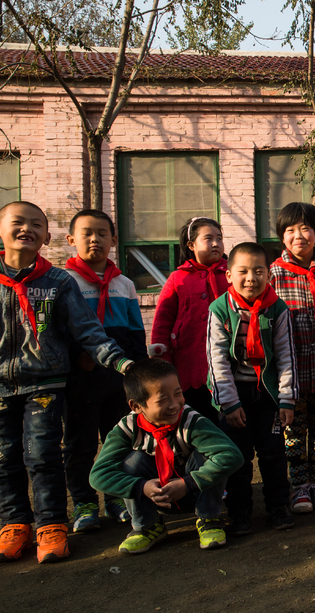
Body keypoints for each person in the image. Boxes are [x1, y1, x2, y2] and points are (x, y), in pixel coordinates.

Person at [0, 201, 135, 563]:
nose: (26, 229)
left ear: (46, 237)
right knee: (5, 457)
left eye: (35, 224)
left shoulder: (57, 282)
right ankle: (14, 523)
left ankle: (51, 524)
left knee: (43, 455)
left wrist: (124, 362)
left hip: (45, 383)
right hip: (4, 385)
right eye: (17, 222)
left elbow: (88, 331)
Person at [88, 359, 243, 554]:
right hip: (155, 497)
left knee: (209, 454)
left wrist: (188, 483)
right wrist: (142, 487)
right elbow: (98, 475)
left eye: (178, 393)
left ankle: (209, 518)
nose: (174, 404)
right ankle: (147, 525)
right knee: (131, 461)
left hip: (193, 493)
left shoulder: (191, 421)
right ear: (136, 406)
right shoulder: (127, 429)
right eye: (162, 400)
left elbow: (231, 455)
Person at [63, 210, 147, 533]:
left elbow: (135, 332)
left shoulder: (124, 284)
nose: (95, 239)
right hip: (81, 379)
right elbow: (58, 332)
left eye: (102, 233)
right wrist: (77, 357)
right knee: (79, 443)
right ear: (71, 240)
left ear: (114, 239)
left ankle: (115, 497)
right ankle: (84, 503)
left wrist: (140, 373)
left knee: (119, 440)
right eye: (86, 233)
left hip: (120, 379)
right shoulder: (64, 281)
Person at [207, 242, 297, 535]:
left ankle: (279, 507)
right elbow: (216, 360)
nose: (251, 278)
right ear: (229, 275)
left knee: (273, 454)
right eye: (243, 271)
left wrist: (287, 400)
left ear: (269, 275)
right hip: (235, 396)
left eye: (259, 271)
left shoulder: (277, 309)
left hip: (268, 396)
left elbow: (286, 356)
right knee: (237, 457)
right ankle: (240, 513)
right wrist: (229, 405)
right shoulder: (220, 309)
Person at [270, 202, 315, 514]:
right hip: (291, 374)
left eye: (306, 228)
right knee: (294, 433)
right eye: (290, 230)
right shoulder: (272, 274)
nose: (299, 235)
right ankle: (299, 486)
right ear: (282, 238)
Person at [150, 217, 229, 423]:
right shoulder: (178, 278)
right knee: (195, 421)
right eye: (208, 238)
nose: (215, 243)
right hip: (188, 365)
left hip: (228, 363)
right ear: (191, 245)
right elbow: (163, 321)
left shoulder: (231, 274)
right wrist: (163, 363)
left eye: (219, 238)